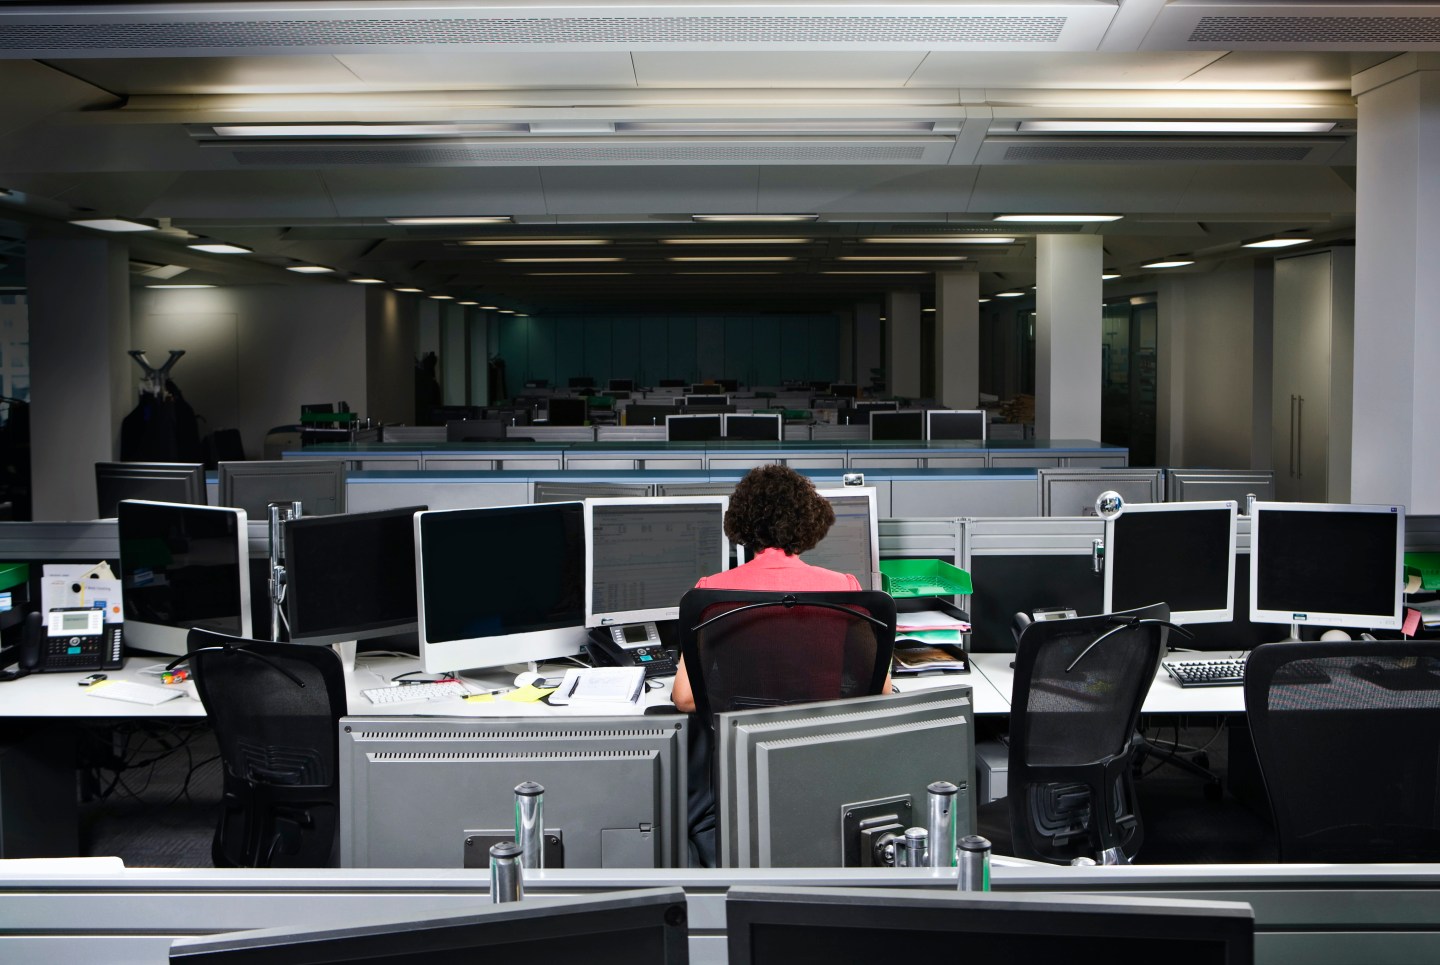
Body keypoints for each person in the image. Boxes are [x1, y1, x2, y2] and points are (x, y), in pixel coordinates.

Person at [670, 464, 889, 713]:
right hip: (822, 740)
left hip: (741, 743)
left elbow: (685, 698)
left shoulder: (710, 594)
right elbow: (881, 690)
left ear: (741, 521)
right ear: (807, 522)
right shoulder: (845, 589)